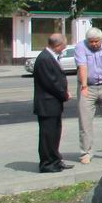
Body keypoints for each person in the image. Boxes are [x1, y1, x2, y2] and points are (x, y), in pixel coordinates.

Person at [75, 27, 102, 163]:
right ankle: (86, 153)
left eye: (96, 41)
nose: (93, 44)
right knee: (85, 122)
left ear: (101, 39)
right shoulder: (81, 47)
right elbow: (82, 66)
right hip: (88, 87)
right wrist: (84, 86)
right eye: (91, 41)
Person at [33, 34, 73, 173]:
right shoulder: (44, 58)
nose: (64, 48)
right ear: (58, 45)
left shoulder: (50, 57)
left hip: (53, 104)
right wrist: (64, 94)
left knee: (54, 134)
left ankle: (56, 160)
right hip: (47, 104)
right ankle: (47, 164)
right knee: (47, 136)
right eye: (64, 45)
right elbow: (51, 82)